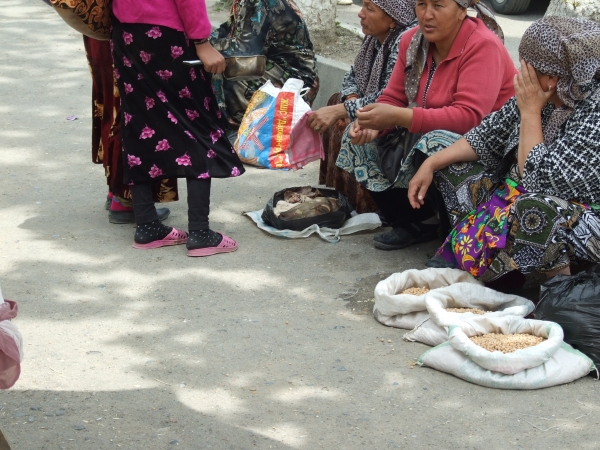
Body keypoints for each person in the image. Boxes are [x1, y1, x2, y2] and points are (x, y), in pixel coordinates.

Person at [408, 16, 600, 282]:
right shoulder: (542, 94)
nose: (521, 74)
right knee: (442, 153)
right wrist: (430, 163)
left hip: (581, 215)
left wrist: (530, 111)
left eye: (528, 68)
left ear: (553, 78)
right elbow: (486, 136)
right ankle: (489, 260)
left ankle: (557, 293)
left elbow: (540, 182)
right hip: (518, 199)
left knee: (535, 208)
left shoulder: (593, 110)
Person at [332, 0, 516, 250]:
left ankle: (459, 241)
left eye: (438, 6)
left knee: (435, 141)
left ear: (462, 11)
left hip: (488, 150)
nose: (427, 15)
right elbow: (393, 96)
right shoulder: (412, 41)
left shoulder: (482, 45)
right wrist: (374, 124)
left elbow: (469, 117)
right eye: (421, 4)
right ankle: (415, 222)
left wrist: (398, 117)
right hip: (436, 135)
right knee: (358, 139)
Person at [111, 0, 245, 256]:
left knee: (139, 124)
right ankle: (200, 232)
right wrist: (202, 42)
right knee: (196, 126)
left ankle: (147, 225)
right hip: (168, 36)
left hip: (125, 33)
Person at [308, 0, 417, 214]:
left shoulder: (405, 42)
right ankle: (343, 194)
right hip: (371, 102)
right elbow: (352, 75)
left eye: (370, 8)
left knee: (352, 122)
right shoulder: (372, 41)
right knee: (335, 100)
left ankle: (373, 207)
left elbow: (390, 96)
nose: (360, 14)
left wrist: (350, 110)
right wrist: (351, 98)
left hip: (399, 118)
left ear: (392, 19)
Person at [83, 36, 176, 224]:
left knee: (113, 103)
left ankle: (117, 189)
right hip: (126, 31)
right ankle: (126, 199)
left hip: (97, 30)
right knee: (134, 110)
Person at [210, 0, 319, 133]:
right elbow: (228, 29)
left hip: (294, 79)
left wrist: (203, 47)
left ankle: (225, 125)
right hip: (279, 68)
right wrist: (201, 42)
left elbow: (243, 48)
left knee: (215, 67)